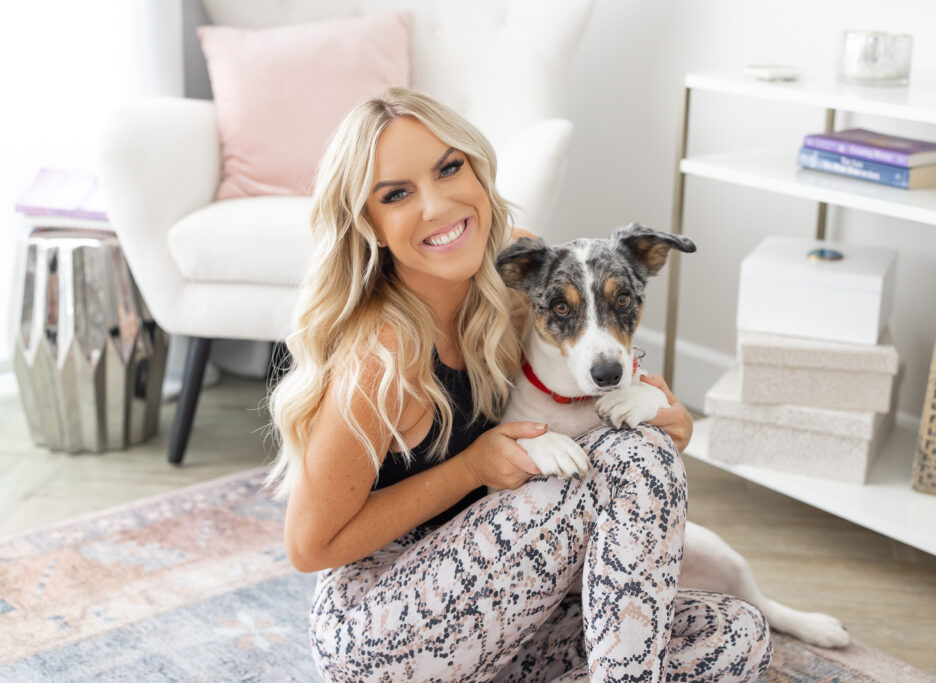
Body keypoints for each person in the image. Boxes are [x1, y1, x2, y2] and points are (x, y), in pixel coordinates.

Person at [266, 87, 771, 682]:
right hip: (382, 633)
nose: (436, 205)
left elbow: (588, 350)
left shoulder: (516, 265)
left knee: (736, 635)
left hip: (513, 603)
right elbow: (309, 547)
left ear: (478, 171)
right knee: (630, 461)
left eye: (449, 168)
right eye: (397, 194)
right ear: (369, 224)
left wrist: (662, 410)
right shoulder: (384, 353)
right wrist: (471, 467)